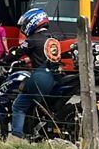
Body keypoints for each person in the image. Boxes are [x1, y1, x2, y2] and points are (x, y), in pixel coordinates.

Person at [8, 8, 63, 140]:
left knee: (18, 106)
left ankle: (16, 138)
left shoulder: (32, 40)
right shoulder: (53, 38)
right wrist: (29, 59)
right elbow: (45, 56)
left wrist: (2, 60)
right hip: (56, 76)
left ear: (33, 22)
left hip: (41, 77)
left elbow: (16, 54)